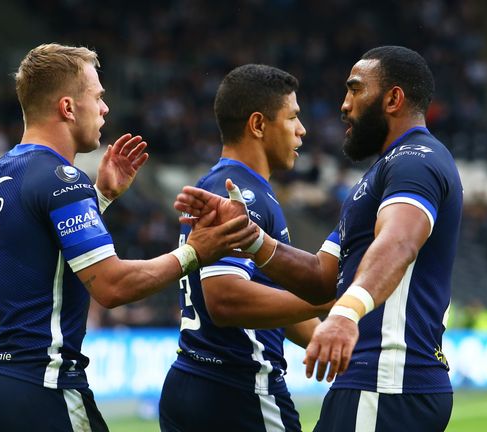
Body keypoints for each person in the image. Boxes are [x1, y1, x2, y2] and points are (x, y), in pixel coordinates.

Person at [0, 43, 258, 432]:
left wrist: (100, 198)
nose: (105, 108)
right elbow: (112, 287)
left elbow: (41, 256)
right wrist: (194, 252)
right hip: (40, 389)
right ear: (68, 108)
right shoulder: (60, 179)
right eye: (98, 97)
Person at [175, 46, 462, 431]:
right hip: (369, 382)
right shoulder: (377, 178)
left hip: (387, 382)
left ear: (393, 99)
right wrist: (254, 240)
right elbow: (323, 277)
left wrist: (344, 314)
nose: (344, 105)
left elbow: (398, 243)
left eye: (356, 90)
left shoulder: (417, 160)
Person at [158, 64, 332, 432]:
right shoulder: (240, 194)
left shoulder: (233, 186)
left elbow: (272, 300)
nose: (302, 130)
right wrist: (330, 298)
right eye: (293, 117)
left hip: (197, 381)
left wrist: (325, 336)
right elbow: (226, 299)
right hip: (239, 389)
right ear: (258, 125)